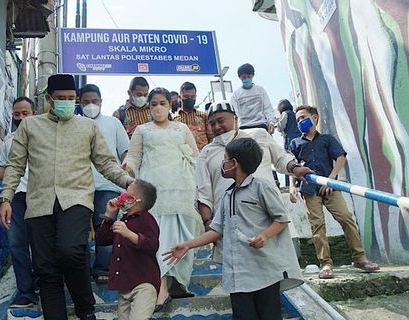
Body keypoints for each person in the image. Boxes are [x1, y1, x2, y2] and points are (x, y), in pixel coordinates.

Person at [0, 74, 135, 320]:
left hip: (77, 199)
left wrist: (128, 182)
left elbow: (105, 162)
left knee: (70, 251)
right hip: (38, 203)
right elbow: (15, 166)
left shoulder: (88, 127)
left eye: (71, 99)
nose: (66, 102)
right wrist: (6, 198)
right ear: (49, 99)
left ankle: (85, 309)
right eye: (60, 98)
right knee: (45, 268)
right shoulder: (30, 126)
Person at [165, 138, 303, 320]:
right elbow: (216, 231)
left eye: (225, 159)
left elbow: (282, 219)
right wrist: (188, 245)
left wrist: (264, 236)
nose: (223, 164)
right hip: (238, 276)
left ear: (234, 164)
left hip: (264, 272)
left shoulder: (262, 187)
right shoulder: (227, 196)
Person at [123, 87, 203, 311]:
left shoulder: (182, 128)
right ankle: (161, 288)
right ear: (148, 107)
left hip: (181, 190)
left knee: (180, 237)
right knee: (159, 239)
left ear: (170, 105)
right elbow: (134, 157)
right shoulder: (142, 130)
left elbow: (195, 157)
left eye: (162, 103)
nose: (158, 108)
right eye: (153, 104)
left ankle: (177, 283)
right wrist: (127, 168)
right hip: (154, 193)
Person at [289, 105, 379, 279]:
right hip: (309, 189)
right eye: (298, 119)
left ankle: (360, 258)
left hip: (330, 187)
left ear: (315, 118)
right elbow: (292, 167)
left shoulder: (327, 139)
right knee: (317, 225)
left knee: (345, 218)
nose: (300, 121)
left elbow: (340, 157)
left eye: (303, 117)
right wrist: (293, 187)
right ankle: (326, 264)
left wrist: (331, 178)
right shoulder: (295, 143)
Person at [196, 102, 310, 232]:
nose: (217, 127)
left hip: (269, 216)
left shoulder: (258, 135)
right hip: (230, 223)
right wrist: (208, 222)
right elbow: (203, 193)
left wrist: (295, 168)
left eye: (220, 121)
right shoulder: (206, 153)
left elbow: (281, 158)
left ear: (235, 119)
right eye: (212, 124)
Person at [0, 97, 38, 308]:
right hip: (16, 197)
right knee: (17, 244)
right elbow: (6, 167)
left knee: (41, 244)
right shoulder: (9, 140)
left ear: (34, 113)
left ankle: (44, 283)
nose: (21, 118)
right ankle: (26, 292)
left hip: (41, 196)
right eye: (17, 114)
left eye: (25, 113)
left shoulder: (45, 135)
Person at [79, 83, 130, 284]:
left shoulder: (113, 123)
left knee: (105, 226)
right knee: (79, 229)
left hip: (108, 185)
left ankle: (103, 268)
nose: (90, 105)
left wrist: (127, 176)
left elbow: (125, 152)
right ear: (79, 103)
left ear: (101, 102)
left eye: (94, 101)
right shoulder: (73, 124)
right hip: (79, 185)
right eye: (86, 102)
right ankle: (80, 271)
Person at [95, 180, 160, 320]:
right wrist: (108, 215)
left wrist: (130, 235)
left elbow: (152, 245)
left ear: (134, 200)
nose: (121, 194)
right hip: (124, 286)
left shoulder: (147, 219)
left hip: (144, 285)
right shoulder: (123, 220)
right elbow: (101, 240)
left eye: (126, 191)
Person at [230, 63, 277, 134]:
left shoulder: (260, 90)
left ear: (253, 75)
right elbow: (234, 114)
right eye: (244, 77)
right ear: (239, 77)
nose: (246, 79)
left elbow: (268, 108)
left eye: (248, 76)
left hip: (261, 126)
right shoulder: (236, 94)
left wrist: (271, 122)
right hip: (244, 128)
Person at [174, 82, 213, 151]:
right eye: (186, 96)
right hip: (182, 157)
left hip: (203, 155)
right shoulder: (174, 119)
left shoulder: (204, 116)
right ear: (180, 97)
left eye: (192, 96)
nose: (190, 99)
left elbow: (211, 137)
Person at [277, 99, 302, 187]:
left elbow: (280, 127)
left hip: (290, 141)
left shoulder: (285, 114)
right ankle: (300, 182)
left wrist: (278, 120)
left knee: (289, 162)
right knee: (299, 161)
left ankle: (289, 184)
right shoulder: (295, 114)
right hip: (299, 140)